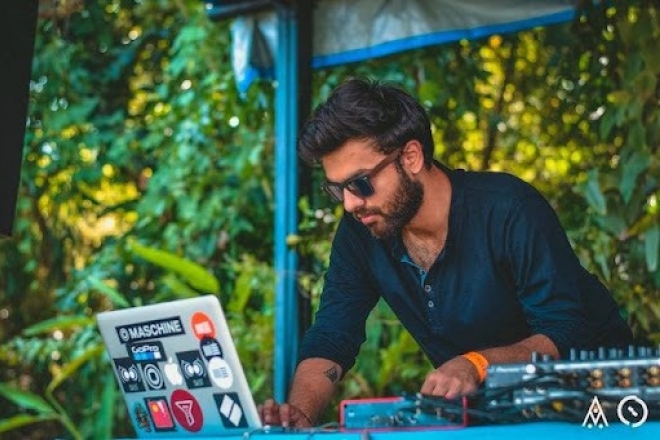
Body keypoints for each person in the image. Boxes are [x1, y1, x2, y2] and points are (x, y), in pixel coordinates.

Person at [258, 77, 633, 428]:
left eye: (360, 183)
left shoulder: (509, 208)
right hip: (491, 419)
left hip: (606, 411)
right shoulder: (361, 231)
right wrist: (299, 415)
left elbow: (566, 330)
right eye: (337, 189)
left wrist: (477, 364)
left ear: (411, 157)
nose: (350, 204)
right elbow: (332, 335)